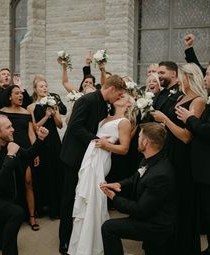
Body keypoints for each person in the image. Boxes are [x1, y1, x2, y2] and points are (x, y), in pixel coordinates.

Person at [59, 74, 126, 255]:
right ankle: (64, 240)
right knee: (69, 199)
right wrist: (97, 140)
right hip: (73, 158)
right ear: (111, 89)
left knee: (83, 199)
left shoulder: (104, 105)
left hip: (89, 159)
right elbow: (75, 127)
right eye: (118, 95)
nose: (118, 98)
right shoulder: (86, 100)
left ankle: (79, 236)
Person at [68, 92, 136, 255]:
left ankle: (95, 247)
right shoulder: (104, 118)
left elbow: (124, 149)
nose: (120, 96)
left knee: (95, 198)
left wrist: (106, 145)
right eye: (119, 95)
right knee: (87, 200)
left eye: (124, 96)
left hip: (102, 159)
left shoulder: (125, 122)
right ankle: (83, 246)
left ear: (129, 104)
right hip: (91, 158)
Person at [151, 63, 207, 255]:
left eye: (182, 76)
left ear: (188, 77)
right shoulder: (182, 97)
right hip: (169, 153)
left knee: (183, 204)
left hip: (183, 158)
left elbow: (186, 136)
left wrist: (164, 120)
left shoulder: (198, 101)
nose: (180, 79)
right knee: (169, 204)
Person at [100, 122, 177, 255]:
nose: (137, 139)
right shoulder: (150, 158)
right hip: (149, 215)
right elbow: (134, 178)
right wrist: (119, 184)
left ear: (146, 142)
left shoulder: (160, 175)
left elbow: (140, 210)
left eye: (139, 137)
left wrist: (114, 198)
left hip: (157, 225)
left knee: (108, 228)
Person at [0, 114, 49, 255]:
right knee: (16, 213)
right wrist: (10, 156)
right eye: (8, 127)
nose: (13, 129)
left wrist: (40, 139)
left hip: (3, 199)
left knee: (1, 239)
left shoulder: (9, 146)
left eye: (12, 126)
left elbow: (28, 156)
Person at [175, 61, 210, 255]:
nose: (205, 77)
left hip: (197, 164)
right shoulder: (182, 96)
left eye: (208, 74)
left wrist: (188, 119)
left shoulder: (199, 100)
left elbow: (199, 133)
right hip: (184, 159)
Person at [0, 85, 39, 230]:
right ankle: (12, 215)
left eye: (21, 93)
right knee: (10, 184)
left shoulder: (26, 112)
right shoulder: (1, 112)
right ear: (9, 96)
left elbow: (31, 133)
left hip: (25, 151)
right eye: (17, 93)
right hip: (8, 151)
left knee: (28, 182)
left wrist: (35, 151)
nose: (20, 95)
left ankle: (32, 217)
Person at [27, 74, 64, 219]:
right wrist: (46, 116)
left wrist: (54, 114)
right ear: (35, 89)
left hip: (54, 142)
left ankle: (56, 208)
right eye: (41, 86)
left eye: (46, 86)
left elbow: (60, 125)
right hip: (41, 142)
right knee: (42, 174)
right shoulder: (31, 107)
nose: (45, 88)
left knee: (56, 172)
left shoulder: (53, 103)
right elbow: (35, 127)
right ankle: (42, 207)